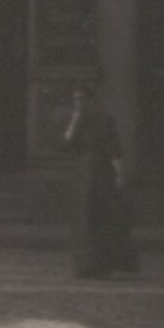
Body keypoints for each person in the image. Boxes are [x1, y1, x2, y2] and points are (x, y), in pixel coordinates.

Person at [64, 84, 139, 278]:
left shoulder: (104, 119)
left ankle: (102, 264)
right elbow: (68, 142)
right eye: (75, 100)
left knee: (101, 216)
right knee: (83, 219)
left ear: (91, 100)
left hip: (101, 171)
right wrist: (75, 118)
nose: (79, 103)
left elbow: (114, 147)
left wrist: (120, 173)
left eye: (82, 99)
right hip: (82, 173)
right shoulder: (78, 120)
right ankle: (84, 265)